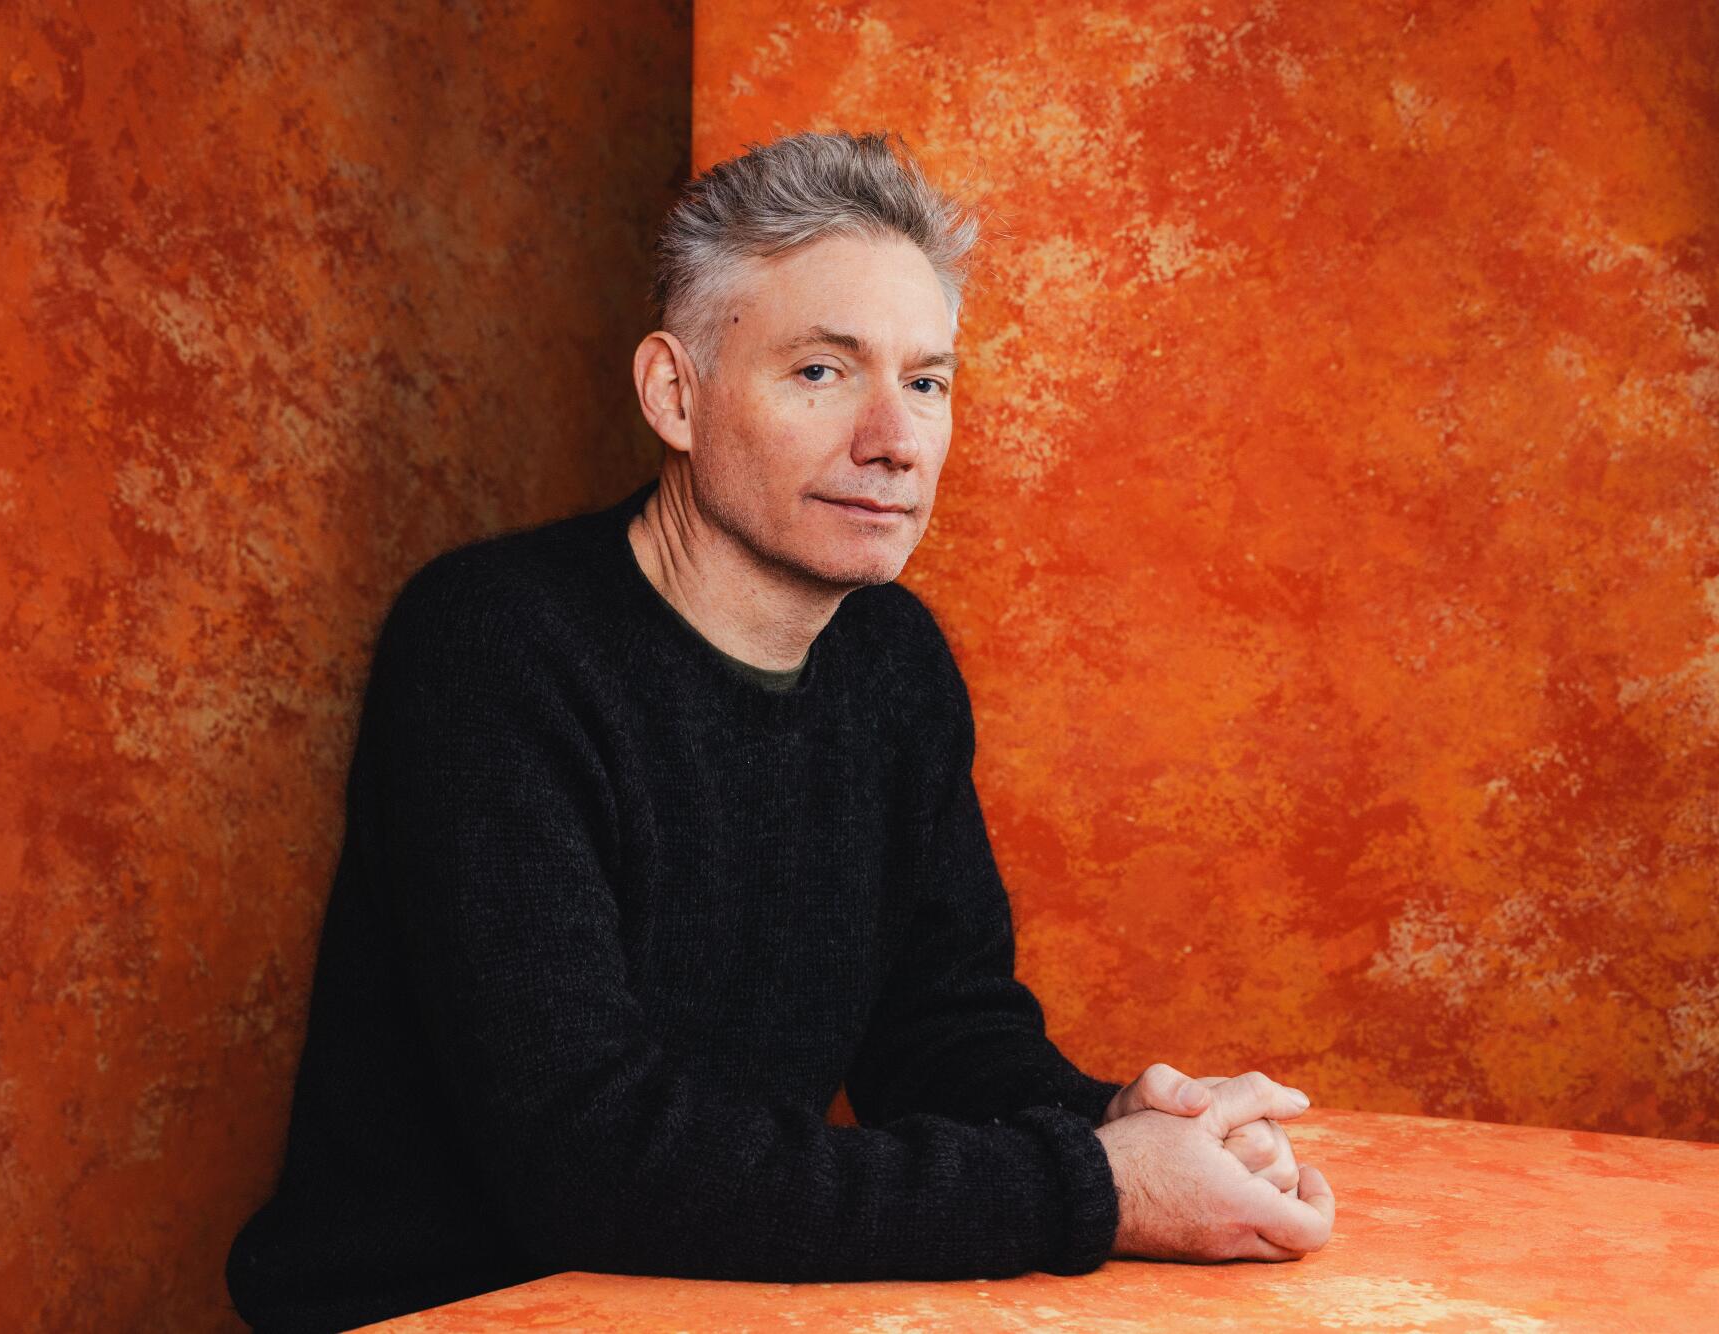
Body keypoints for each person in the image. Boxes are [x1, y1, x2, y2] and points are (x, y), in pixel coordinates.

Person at [225, 130, 1334, 1334]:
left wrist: (1125, 1120)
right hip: (441, 1311)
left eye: (925, 380)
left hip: (700, 1303)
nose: (892, 440)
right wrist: (1095, 1187)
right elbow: (590, 1162)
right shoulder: (493, 650)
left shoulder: (893, 662)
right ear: (674, 393)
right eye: (820, 372)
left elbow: (941, 1038)